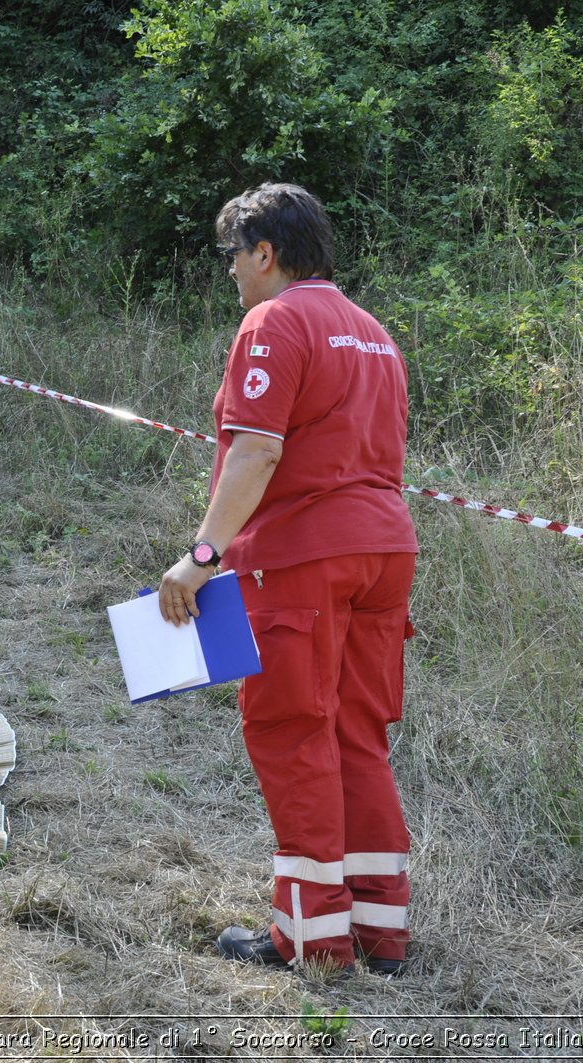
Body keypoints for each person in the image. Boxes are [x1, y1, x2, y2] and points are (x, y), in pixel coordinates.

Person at [157, 183, 418, 975]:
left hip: (304, 557)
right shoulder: (374, 333)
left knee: (292, 732)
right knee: (356, 736)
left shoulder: (273, 321)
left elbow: (258, 451)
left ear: (264, 252)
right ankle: (381, 932)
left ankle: (311, 937)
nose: (230, 273)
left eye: (232, 256)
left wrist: (201, 557)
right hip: (385, 553)